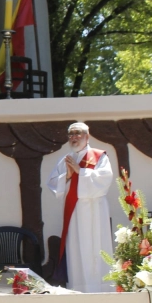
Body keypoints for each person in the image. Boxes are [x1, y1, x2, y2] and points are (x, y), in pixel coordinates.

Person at [47, 122, 114, 292]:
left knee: (96, 246)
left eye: (78, 133)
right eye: (71, 134)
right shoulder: (66, 160)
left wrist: (80, 171)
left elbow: (105, 180)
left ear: (87, 136)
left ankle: (102, 288)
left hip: (95, 209)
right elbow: (53, 184)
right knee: (77, 248)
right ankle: (79, 287)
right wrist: (67, 176)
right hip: (75, 212)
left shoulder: (99, 156)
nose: (74, 137)